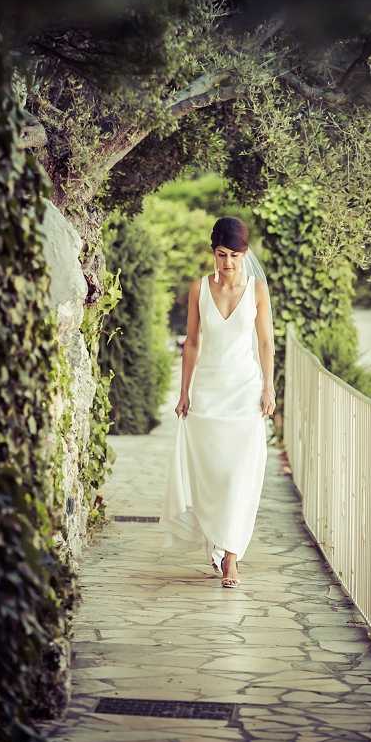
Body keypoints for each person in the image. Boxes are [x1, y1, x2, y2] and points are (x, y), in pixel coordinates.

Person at [159, 216, 276, 589]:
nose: (228, 263)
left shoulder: (258, 289)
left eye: (235, 256)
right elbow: (191, 342)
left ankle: (231, 558)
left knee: (239, 476)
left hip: (244, 393)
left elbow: (265, 343)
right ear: (213, 253)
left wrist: (269, 387)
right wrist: (184, 391)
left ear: (245, 255)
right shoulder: (199, 289)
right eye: (222, 255)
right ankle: (214, 539)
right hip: (208, 392)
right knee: (209, 475)